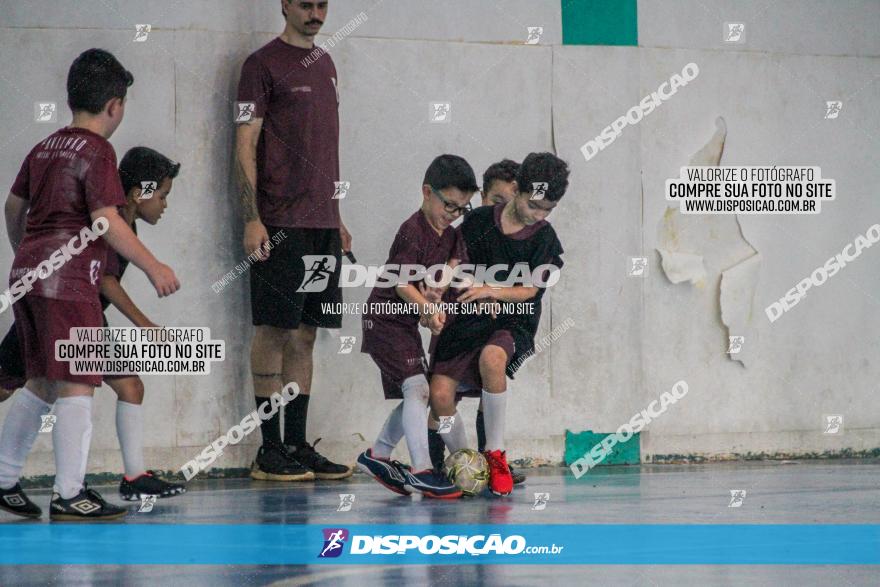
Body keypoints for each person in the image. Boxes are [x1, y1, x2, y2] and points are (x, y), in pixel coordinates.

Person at [0, 49, 180, 521]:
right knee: (79, 381)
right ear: (115, 105)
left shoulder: (43, 147)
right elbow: (106, 221)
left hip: (27, 272)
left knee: (39, 379)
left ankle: (3, 477)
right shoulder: (99, 150)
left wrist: (33, 254)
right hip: (71, 281)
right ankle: (70, 492)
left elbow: (13, 209)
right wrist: (152, 265)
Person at [236, 0, 352, 481]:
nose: (315, 13)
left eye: (322, 4)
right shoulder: (259, 66)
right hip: (279, 223)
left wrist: (337, 218)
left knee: (306, 334)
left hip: (322, 225)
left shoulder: (326, 64)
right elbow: (245, 141)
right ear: (284, 4)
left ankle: (297, 443)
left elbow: (324, 150)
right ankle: (269, 450)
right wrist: (252, 217)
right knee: (273, 330)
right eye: (305, 4)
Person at [429, 152, 569, 496]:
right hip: (468, 318)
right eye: (533, 206)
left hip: (513, 321)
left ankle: (494, 452)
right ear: (517, 189)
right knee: (439, 394)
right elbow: (456, 263)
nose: (538, 215)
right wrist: (441, 284)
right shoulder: (477, 222)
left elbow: (531, 289)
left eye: (546, 210)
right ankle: (463, 461)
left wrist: (494, 291)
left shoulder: (544, 237)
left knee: (493, 358)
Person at [356, 155, 478, 499]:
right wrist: (426, 306)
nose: (453, 214)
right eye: (449, 205)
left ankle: (377, 455)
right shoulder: (412, 231)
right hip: (383, 320)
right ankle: (421, 469)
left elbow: (455, 262)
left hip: (404, 324)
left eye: (461, 209)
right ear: (427, 192)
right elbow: (401, 286)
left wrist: (438, 298)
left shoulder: (450, 235)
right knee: (418, 391)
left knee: (418, 394)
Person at [425, 159, 528, 486]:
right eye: (496, 201)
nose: (502, 210)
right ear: (482, 197)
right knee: (442, 397)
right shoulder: (458, 235)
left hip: (494, 327)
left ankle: (491, 459)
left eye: (509, 204)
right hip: (456, 326)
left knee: (491, 374)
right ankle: (438, 466)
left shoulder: (517, 240)